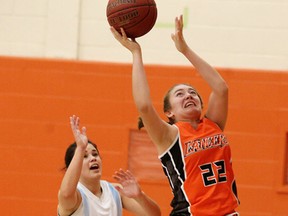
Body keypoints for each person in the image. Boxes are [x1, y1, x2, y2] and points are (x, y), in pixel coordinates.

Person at [110, 15, 240, 216]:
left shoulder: (213, 124)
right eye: (180, 94)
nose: (188, 95)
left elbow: (221, 88)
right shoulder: (169, 136)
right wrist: (136, 53)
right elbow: (144, 106)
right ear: (169, 112)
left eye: (192, 92)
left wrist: (185, 50)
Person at [57, 115, 161, 216]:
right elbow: (66, 194)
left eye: (95, 154)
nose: (93, 158)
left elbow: (155, 214)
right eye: (84, 156)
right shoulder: (76, 197)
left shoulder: (116, 191)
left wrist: (140, 196)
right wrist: (80, 148)